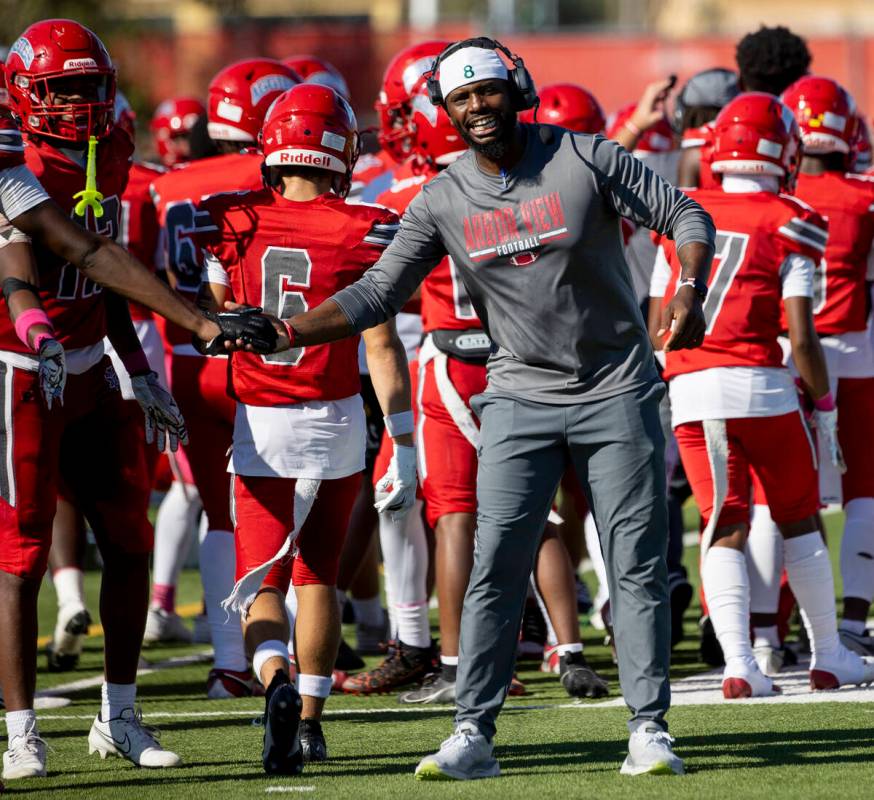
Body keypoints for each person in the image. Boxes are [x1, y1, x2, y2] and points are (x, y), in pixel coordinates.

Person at [249, 36, 715, 779]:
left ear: (516, 87)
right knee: (492, 565)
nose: (477, 108)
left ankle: (649, 728)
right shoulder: (442, 196)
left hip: (615, 387)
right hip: (518, 396)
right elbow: (378, 291)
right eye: (462, 99)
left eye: (488, 91)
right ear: (448, 110)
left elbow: (686, 214)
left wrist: (689, 288)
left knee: (635, 565)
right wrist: (286, 329)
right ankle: (473, 732)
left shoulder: (585, 155)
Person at [0, 20, 273, 780]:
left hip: (90, 360)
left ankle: (119, 716)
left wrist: (137, 368)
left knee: (129, 541)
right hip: (18, 364)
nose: (81, 102)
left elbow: (102, 273)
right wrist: (195, 321)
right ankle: (21, 730)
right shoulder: (7, 158)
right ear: (25, 92)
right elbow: (80, 251)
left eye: (91, 84)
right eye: (63, 88)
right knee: (17, 558)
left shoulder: (111, 146)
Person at [194, 83, 415, 774]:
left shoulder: (230, 217)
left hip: (262, 421)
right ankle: (313, 720)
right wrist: (402, 437)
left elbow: (217, 313)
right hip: (338, 418)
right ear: (339, 148)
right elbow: (381, 343)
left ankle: (276, 682)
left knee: (265, 583)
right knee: (318, 577)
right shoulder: (367, 224)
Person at [654, 91, 874, 698]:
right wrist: (824, 405)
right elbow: (801, 335)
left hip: (694, 392)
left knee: (723, 523)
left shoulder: (682, 210)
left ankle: (739, 664)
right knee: (799, 518)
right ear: (783, 150)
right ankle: (830, 655)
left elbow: (658, 324)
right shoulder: (790, 215)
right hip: (763, 388)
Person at [150, 57, 300, 698]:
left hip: (186, 362)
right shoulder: (272, 178)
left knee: (221, 517)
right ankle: (279, 656)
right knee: (279, 517)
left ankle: (229, 664)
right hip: (259, 363)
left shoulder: (170, 183)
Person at [782, 76, 874, 657]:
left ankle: (769, 630)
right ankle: (854, 621)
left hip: (785, 352)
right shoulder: (866, 196)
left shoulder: (770, 203)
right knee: (864, 490)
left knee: (787, 499)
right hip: (856, 350)